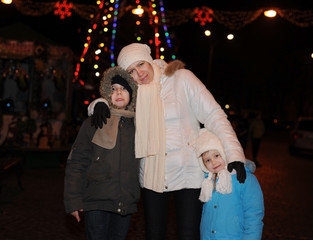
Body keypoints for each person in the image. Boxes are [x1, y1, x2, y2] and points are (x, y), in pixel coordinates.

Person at [90, 43, 247, 239]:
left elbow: (214, 115)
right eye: (131, 70)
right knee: (154, 234)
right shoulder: (134, 92)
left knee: (188, 235)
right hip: (151, 173)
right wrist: (98, 105)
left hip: (188, 172)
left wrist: (235, 155)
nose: (139, 73)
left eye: (140, 64)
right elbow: (112, 99)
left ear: (149, 59)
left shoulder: (181, 78)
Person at [64, 66, 140, 240]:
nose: (119, 92)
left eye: (124, 89)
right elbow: (77, 161)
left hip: (125, 203)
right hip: (96, 202)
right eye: (113, 89)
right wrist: (73, 200)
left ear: (132, 94)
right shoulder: (94, 121)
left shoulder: (138, 125)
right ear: (107, 92)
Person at [195, 128, 264, 240]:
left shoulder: (245, 179)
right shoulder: (207, 182)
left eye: (216, 155)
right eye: (207, 160)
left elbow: (253, 216)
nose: (213, 162)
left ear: (225, 152)